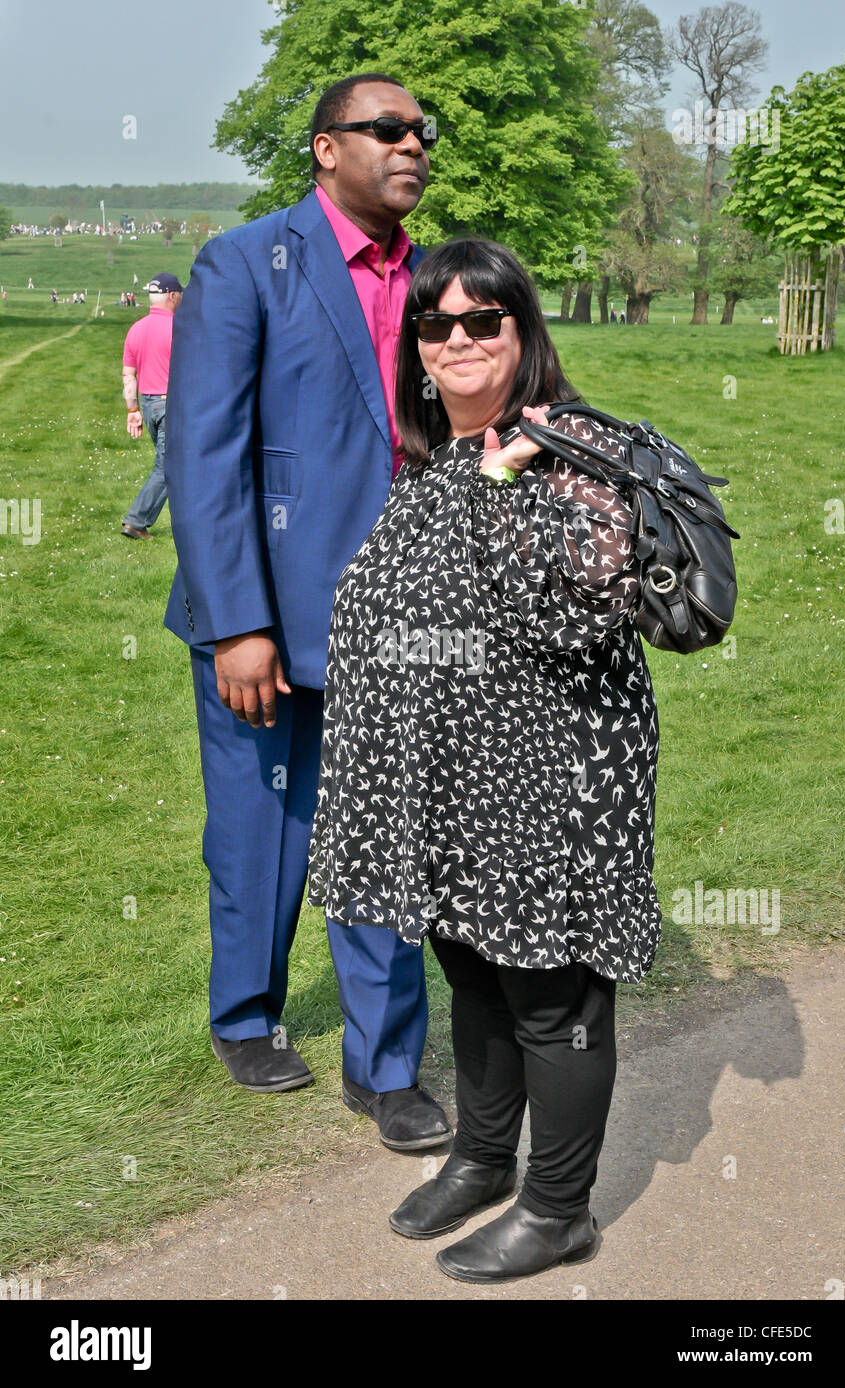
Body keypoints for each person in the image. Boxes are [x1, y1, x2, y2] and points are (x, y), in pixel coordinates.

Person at [306, 238, 662, 1282]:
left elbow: (575, 621)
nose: (457, 338)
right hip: (453, 780)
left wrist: (510, 486)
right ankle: (480, 1155)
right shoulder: (435, 461)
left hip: (550, 774)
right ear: (416, 346)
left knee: (550, 994)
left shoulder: (573, 450)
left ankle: (559, 1208)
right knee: (471, 972)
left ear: (523, 331)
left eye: (482, 320)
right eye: (436, 323)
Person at [163, 74, 451, 1152]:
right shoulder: (247, 262)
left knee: (386, 834)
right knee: (261, 828)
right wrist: (240, 619)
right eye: (387, 129)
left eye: (422, 132)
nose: (411, 144)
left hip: (395, 617)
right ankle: (245, 1014)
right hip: (264, 617)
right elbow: (203, 450)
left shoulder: (438, 280)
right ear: (327, 149)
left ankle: (386, 1073)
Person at [120, 272, 183, 540]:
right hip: (171, 404)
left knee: (173, 465)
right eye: (180, 294)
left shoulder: (136, 329)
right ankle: (136, 520)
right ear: (172, 295)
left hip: (147, 404)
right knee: (169, 465)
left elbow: (128, 375)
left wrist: (133, 411)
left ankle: (193, 518)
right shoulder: (181, 329)